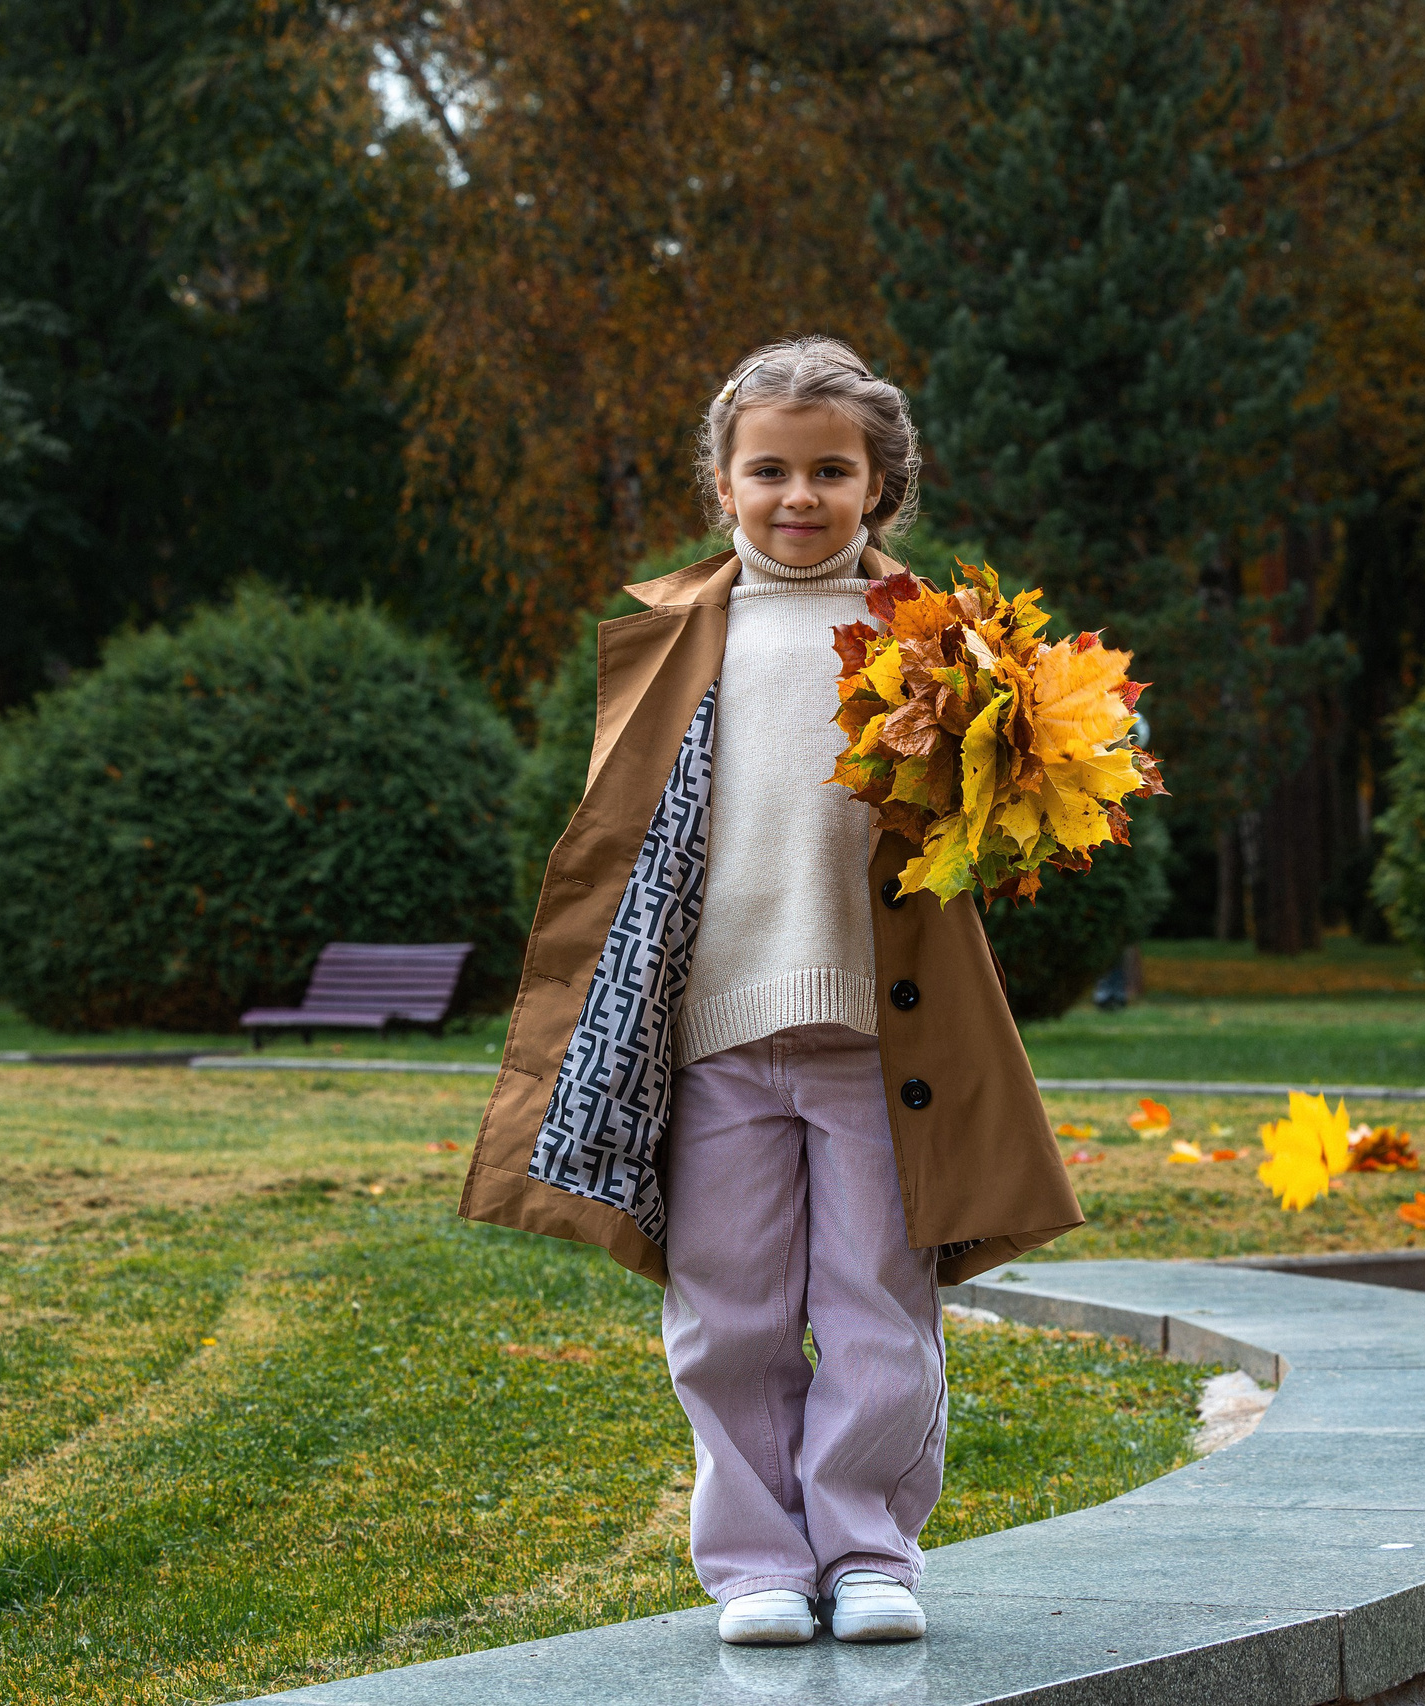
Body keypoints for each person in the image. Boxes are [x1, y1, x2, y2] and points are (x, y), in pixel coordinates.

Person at [457, 336, 1082, 1647]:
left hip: (879, 1039)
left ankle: (866, 1551)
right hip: (711, 1037)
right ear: (725, 482)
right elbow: (629, 844)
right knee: (726, 1311)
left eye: (831, 471)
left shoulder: (940, 643)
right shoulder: (676, 634)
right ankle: (755, 1563)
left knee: (877, 1304)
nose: (800, 495)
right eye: (770, 470)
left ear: (879, 484)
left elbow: (1000, 817)